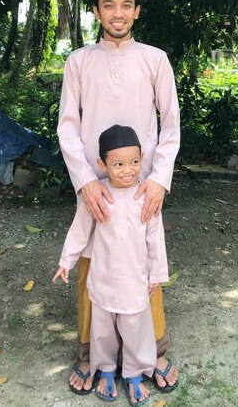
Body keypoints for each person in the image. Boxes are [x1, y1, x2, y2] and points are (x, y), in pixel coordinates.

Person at [57, 0, 180, 395]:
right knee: (95, 263)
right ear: (96, 11)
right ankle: (92, 354)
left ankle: (154, 351)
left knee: (144, 266)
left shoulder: (155, 59)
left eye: (125, 5)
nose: (117, 13)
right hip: (96, 185)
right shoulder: (79, 61)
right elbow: (68, 128)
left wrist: (159, 180)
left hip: (141, 185)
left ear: (137, 11)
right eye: (108, 5)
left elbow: (171, 126)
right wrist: (86, 184)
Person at [53, 125, 169, 405]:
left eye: (134, 162)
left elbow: (156, 239)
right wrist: (66, 260)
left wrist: (157, 274)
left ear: (142, 158)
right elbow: (80, 230)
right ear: (102, 164)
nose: (128, 170)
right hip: (103, 278)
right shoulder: (96, 196)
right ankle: (104, 369)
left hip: (135, 281)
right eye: (118, 164)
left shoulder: (146, 195)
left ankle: (134, 374)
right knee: (102, 329)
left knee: (135, 330)